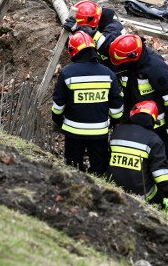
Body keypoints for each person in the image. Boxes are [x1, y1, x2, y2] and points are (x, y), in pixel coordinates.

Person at [109, 34, 168, 195]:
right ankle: (149, 187)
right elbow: (127, 94)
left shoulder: (155, 67)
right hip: (136, 120)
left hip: (162, 124)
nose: (120, 66)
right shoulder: (127, 64)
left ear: (133, 56)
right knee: (145, 156)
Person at [52, 31, 124, 175]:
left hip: (73, 133)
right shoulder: (109, 74)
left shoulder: (67, 73)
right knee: (99, 171)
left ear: (73, 51)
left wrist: (59, 121)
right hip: (99, 133)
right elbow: (116, 108)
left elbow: (58, 105)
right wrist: (113, 122)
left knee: (72, 171)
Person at [108, 100, 168, 205]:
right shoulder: (154, 140)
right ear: (153, 120)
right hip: (141, 197)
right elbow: (160, 174)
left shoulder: (117, 132)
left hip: (113, 191)